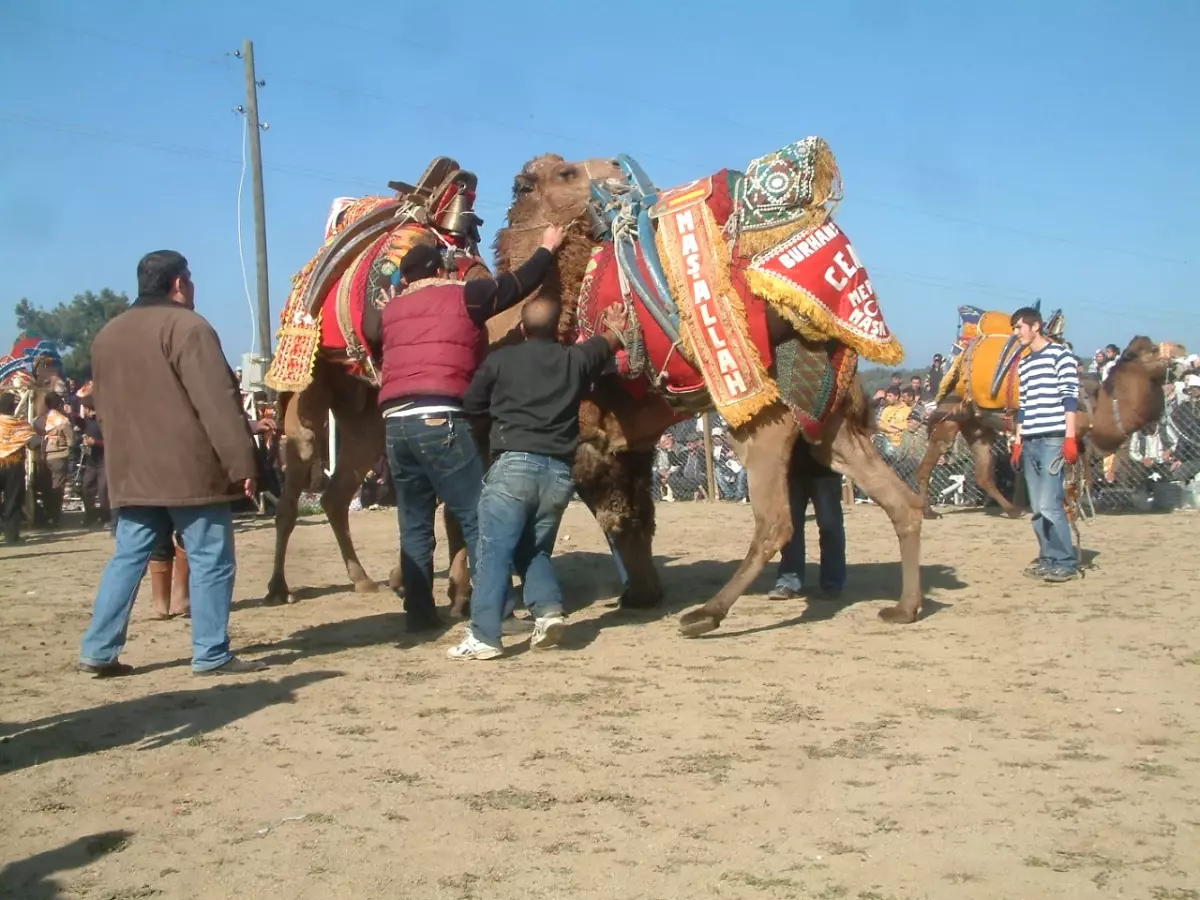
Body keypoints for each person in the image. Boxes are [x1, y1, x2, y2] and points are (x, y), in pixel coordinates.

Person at [362, 226, 566, 632]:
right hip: (440, 417)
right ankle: (500, 612)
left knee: (414, 521)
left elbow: (369, 330)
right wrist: (546, 248)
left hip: (395, 425)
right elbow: (517, 284)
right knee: (479, 516)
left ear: (406, 279)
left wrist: (388, 299)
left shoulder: (392, 311)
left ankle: (418, 614)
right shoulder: (464, 295)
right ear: (442, 268)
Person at [78, 250, 265, 677]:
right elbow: (217, 404)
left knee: (128, 558)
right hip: (189, 469)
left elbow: (102, 407)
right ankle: (211, 652)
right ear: (179, 283)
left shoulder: (108, 333)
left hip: (131, 468)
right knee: (211, 557)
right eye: (191, 279)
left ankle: (98, 649)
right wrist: (242, 462)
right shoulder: (188, 327)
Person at [447, 298, 623, 659]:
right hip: (558, 474)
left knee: (493, 552)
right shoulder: (575, 359)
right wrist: (614, 324)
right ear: (558, 328)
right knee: (534, 549)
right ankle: (547, 612)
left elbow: (471, 406)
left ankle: (483, 637)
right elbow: (608, 341)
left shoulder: (500, 361)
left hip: (513, 467)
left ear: (523, 329)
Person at [1010, 306, 1080, 583]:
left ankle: (1065, 560)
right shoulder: (1025, 363)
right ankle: (1048, 557)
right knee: (1038, 507)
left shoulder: (1061, 355)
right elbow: (1024, 406)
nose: (1016, 334)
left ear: (1035, 326)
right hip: (1030, 439)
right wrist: (1018, 441)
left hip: (1053, 438)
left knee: (1050, 504)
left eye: (1019, 327)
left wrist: (1070, 437)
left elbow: (1069, 398)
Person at [768, 438, 846, 600]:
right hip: (791, 471)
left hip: (826, 470)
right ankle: (788, 582)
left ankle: (832, 583)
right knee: (790, 528)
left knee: (830, 527)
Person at [0, 393, 38, 544]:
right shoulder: (22, 425)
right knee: (13, 500)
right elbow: (34, 444)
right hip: (14, 465)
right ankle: (11, 536)